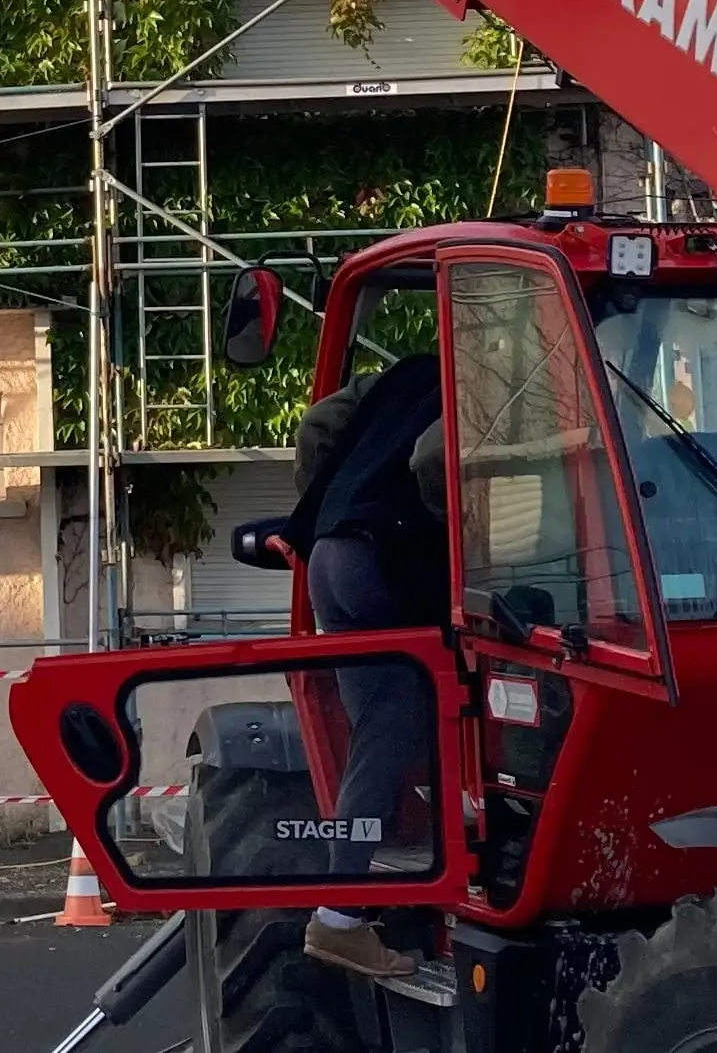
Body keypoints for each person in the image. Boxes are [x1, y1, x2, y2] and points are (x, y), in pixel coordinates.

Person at [284, 352, 447, 981]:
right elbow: (434, 456)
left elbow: (319, 424)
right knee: (469, 668)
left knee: (381, 728)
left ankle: (349, 904)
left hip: (329, 552)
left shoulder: (402, 373)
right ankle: (341, 916)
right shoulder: (491, 387)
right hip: (384, 554)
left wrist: (327, 504)